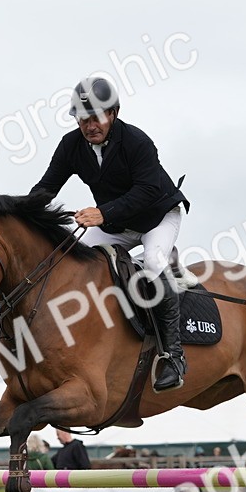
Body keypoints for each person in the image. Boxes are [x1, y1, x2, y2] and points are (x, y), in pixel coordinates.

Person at [30, 76, 191, 393]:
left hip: (157, 217)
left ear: (113, 113)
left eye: (97, 117)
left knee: (153, 266)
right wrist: (16, 212)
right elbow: (46, 188)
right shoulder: (71, 145)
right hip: (117, 225)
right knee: (72, 260)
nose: (90, 125)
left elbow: (147, 191)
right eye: (83, 118)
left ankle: (174, 358)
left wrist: (102, 213)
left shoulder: (137, 142)